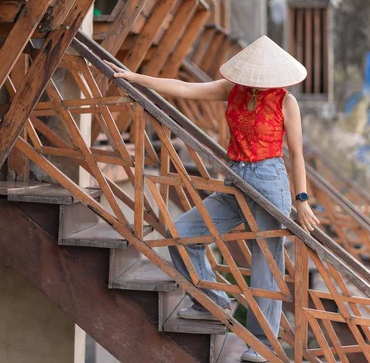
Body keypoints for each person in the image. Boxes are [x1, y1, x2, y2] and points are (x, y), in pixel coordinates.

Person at [106, 35, 319, 363]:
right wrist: (135, 77)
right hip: (235, 179)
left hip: (269, 180)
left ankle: (260, 346)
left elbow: (297, 155)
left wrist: (301, 199)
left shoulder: (286, 102)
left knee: (266, 261)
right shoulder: (230, 89)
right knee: (182, 233)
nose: (255, 83)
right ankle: (213, 302)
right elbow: (184, 88)